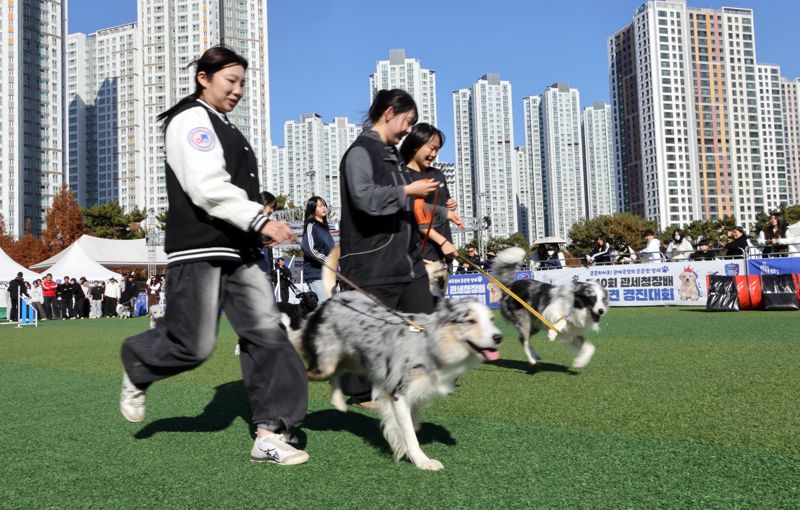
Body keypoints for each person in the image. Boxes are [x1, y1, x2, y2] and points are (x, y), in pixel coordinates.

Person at [119, 46, 308, 465]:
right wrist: (259, 221)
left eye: (242, 83)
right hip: (198, 250)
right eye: (230, 81)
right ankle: (138, 363)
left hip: (240, 252)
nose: (238, 90)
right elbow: (207, 188)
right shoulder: (190, 121)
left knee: (269, 335)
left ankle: (270, 433)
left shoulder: (228, 129)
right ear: (203, 78)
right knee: (194, 346)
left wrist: (255, 230)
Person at [337, 88, 439, 408]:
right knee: (370, 332)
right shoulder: (359, 152)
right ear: (388, 114)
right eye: (408, 121)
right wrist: (408, 189)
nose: (409, 130)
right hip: (372, 260)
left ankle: (405, 379)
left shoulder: (391, 155)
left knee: (424, 319)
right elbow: (364, 198)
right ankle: (359, 391)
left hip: (406, 259)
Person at [399, 123, 463, 300]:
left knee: (437, 309)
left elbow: (443, 202)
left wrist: (450, 204)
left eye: (437, 150)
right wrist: (442, 241)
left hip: (442, 255)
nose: (434, 154)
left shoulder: (438, 174)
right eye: (431, 148)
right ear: (416, 143)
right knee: (422, 312)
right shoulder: (403, 176)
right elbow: (415, 215)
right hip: (421, 256)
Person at [301, 196, 335, 302]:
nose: (324, 208)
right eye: (320, 206)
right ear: (313, 209)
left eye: (324, 205)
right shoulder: (311, 226)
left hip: (329, 276)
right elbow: (311, 249)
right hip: (316, 275)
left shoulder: (325, 229)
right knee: (325, 309)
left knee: (332, 309)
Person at [257, 191, 278, 286]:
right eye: (271, 207)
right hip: (258, 276)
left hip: (266, 273)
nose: (272, 211)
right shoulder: (251, 224)